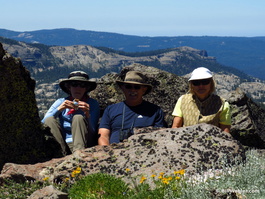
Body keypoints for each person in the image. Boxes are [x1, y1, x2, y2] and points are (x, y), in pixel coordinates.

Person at [98, 71, 166, 145]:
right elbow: (103, 135)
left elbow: (159, 136)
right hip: (114, 152)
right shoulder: (110, 110)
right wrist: (107, 152)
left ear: (144, 90)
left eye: (137, 87)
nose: (132, 90)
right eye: (128, 86)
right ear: (123, 88)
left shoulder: (155, 111)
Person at [42, 71, 100, 155]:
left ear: (86, 88)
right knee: (50, 119)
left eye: (82, 85)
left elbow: (93, 131)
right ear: (69, 87)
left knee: (78, 117)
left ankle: (79, 153)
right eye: (74, 84)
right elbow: (44, 122)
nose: (78, 88)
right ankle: (60, 153)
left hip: (85, 141)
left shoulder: (92, 104)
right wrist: (60, 109)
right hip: (64, 142)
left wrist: (87, 115)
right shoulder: (61, 101)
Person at [171, 67, 231, 133]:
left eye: (205, 82)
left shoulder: (222, 104)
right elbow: (175, 127)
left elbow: (225, 132)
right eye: (196, 83)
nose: (201, 86)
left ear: (211, 83)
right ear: (192, 85)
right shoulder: (182, 100)